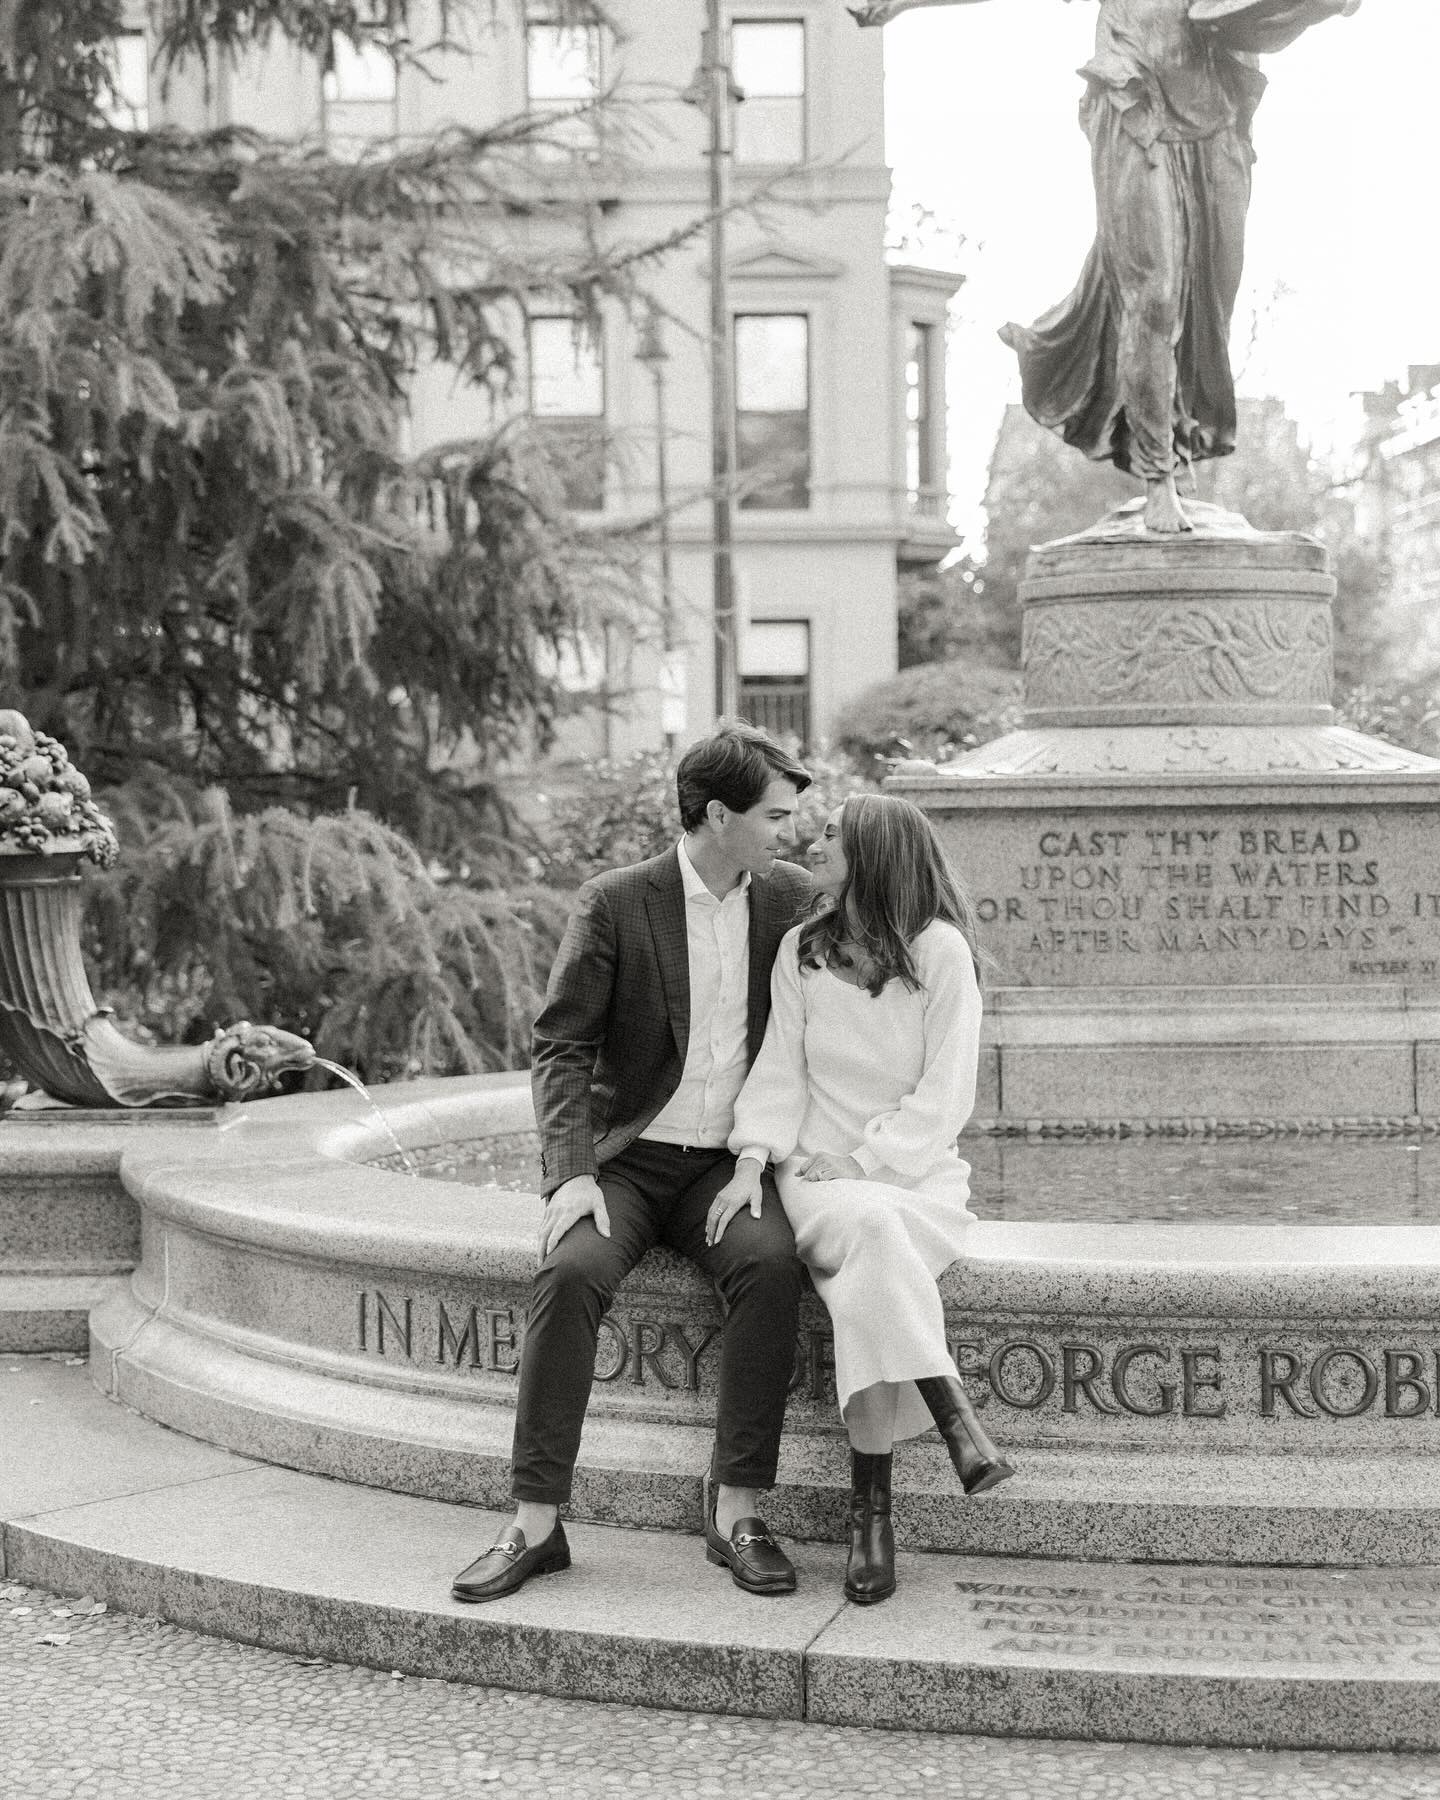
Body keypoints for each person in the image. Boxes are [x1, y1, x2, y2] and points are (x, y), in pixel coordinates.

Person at [451, 723, 814, 1604]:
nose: (789, 832)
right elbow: (561, 1044)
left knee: (771, 1269)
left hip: (729, 1167)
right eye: (774, 815)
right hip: (627, 1161)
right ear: (718, 815)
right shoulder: (617, 901)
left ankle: (736, 1512)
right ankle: (536, 1522)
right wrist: (571, 1170)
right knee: (570, 1272)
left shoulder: (790, 899)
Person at [850, 0, 1360, 533]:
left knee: (1209, 304)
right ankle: (1158, 477)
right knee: (1155, 295)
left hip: (1216, 110)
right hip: (1132, 98)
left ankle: (1178, 453)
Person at [716, 792, 1013, 1605]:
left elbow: (947, 1094)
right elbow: (779, 1069)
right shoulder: (801, 952)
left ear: (876, 857)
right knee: (870, 1229)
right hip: (814, 1179)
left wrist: (869, 1156)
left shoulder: (941, 953)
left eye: (838, 837)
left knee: (878, 1244)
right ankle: (948, 1418)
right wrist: (752, 1160)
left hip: (916, 1180)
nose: (817, 841)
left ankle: (872, 1512)